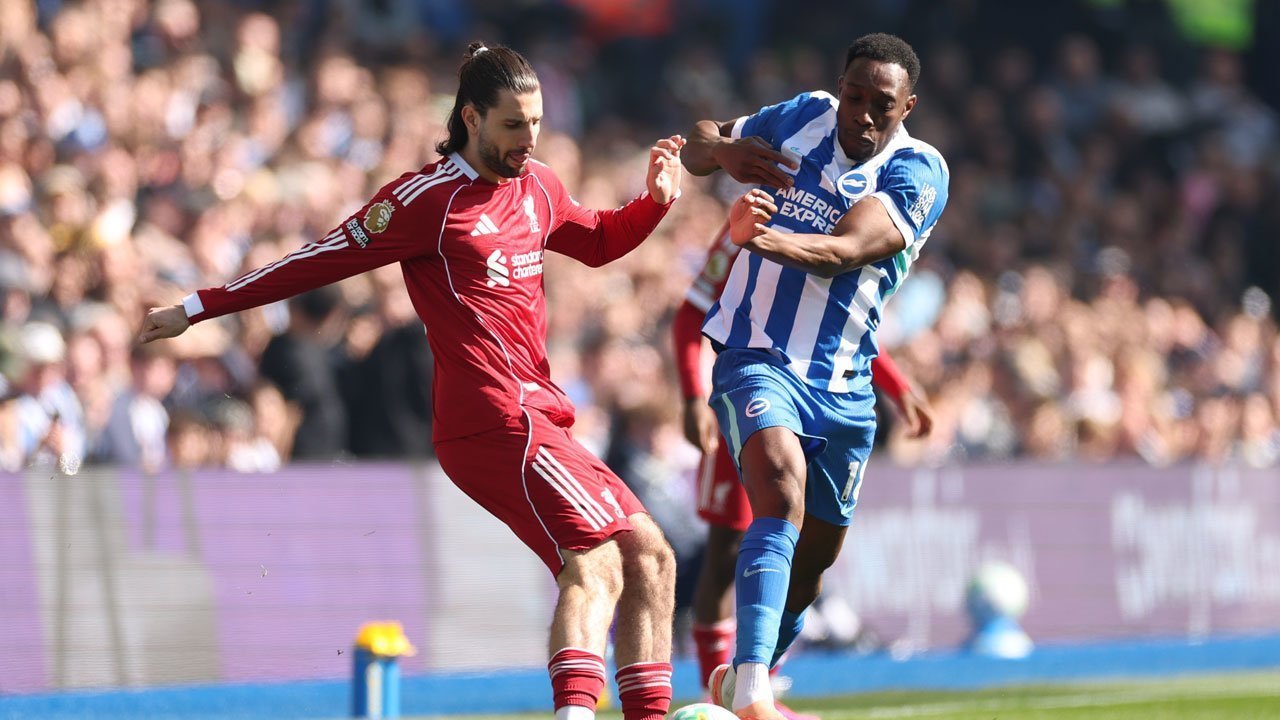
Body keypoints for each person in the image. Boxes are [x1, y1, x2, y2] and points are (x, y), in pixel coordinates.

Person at [140, 42, 684, 720]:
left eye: (537, 122)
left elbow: (598, 240)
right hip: (492, 419)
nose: (529, 138)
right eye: (514, 124)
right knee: (595, 562)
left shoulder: (537, 185)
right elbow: (318, 260)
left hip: (544, 416)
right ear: (471, 117)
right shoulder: (424, 200)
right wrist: (197, 307)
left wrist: (653, 204)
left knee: (652, 558)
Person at [681, 33, 949, 718]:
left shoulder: (918, 170)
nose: (859, 114)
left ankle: (748, 676)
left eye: (879, 105)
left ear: (906, 106)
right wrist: (720, 151)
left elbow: (843, 251)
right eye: (853, 95)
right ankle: (752, 692)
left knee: (811, 567)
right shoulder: (805, 113)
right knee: (778, 495)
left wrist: (756, 237)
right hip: (755, 354)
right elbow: (698, 143)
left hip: (844, 385)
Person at [673, 223, 934, 719]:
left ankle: (750, 685)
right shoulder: (745, 228)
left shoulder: (830, 228)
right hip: (749, 392)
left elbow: (843, 326)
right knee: (726, 551)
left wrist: (896, 386)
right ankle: (728, 692)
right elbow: (690, 315)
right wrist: (690, 395)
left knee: (804, 553)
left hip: (816, 396)